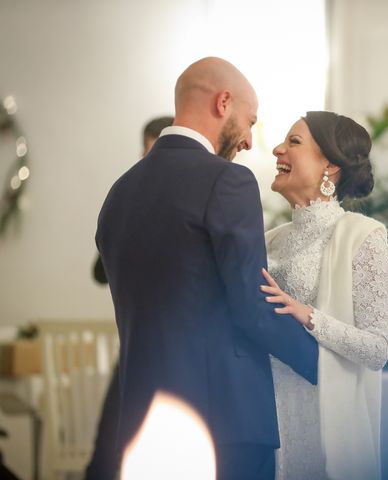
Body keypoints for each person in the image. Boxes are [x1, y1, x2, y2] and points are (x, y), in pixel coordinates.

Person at [95, 57, 318, 480]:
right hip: (223, 422)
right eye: (250, 121)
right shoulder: (227, 181)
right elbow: (253, 305)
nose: (251, 141)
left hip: (142, 423)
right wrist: (326, 366)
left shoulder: (118, 194)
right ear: (223, 102)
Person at [261, 111, 388, 479]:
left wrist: (308, 315)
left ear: (330, 166)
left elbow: (377, 349)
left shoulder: (363, 235)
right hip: (268, 414)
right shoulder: (271, 239)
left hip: (325, 418)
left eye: (293, 143)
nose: (277, 150)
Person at [85, 114, 173, 480]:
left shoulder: (192, 201)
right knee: (108, 451)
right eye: (145, 151)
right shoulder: (132, 197)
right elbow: (99, 271)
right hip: (136, 347)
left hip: (176, 351)